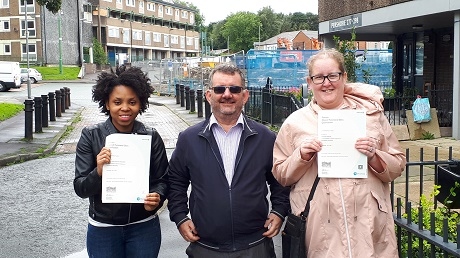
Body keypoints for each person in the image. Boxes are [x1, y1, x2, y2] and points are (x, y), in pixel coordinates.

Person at [272, 48, 406, 257]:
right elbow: (281, 174)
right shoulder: (294, 123)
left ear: (344, 77)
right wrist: (302, 156)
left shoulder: (370, 116)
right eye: (319, 77)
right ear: (309, 82)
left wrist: (374, 156)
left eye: (333, 75)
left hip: (369, 229)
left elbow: (398, 165)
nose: (326, 83)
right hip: (321, 234)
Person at [167, 63, 290, 257]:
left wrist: (279, 211)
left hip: (255, 246)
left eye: (234, 89)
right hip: (206, 247)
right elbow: (175, 182)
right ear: (209, 96)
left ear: (245, 95)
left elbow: (280, 180)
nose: (227, 94)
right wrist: (180, 217)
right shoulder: (188, 139)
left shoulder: (265, 137)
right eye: (219, 89)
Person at [73, 65, 168, 258]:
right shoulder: (91, 136)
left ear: (140, 103)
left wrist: (156, 198)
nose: (125, 108)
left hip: (143, 227)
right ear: (107, 104)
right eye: (117, 102)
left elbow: (163, 180)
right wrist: (98, 171)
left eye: (132, 102)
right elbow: (80, 188)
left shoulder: (151, 136)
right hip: (103, 229)